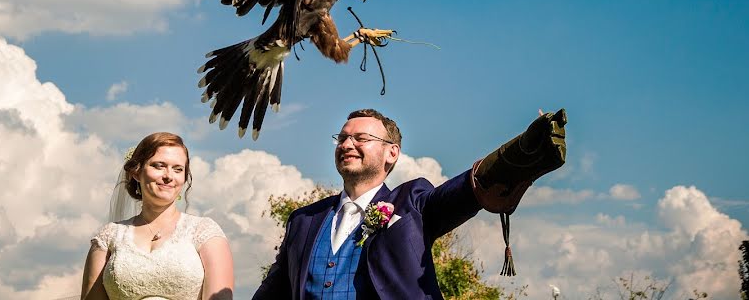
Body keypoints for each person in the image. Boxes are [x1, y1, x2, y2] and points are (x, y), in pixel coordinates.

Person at [253, 107, 567, 300]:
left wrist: (515, 158)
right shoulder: (304, 220)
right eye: (342, 138)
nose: (347, 144)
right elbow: (274, 291)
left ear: (392, 152)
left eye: (361, 138)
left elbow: (458, 195)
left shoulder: (411, 202)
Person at [81, 132, 234, 300]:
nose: (168, 176)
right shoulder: (109, 236)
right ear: (136, 173)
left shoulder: (204, 232)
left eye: (178, 169)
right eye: (159, 166)